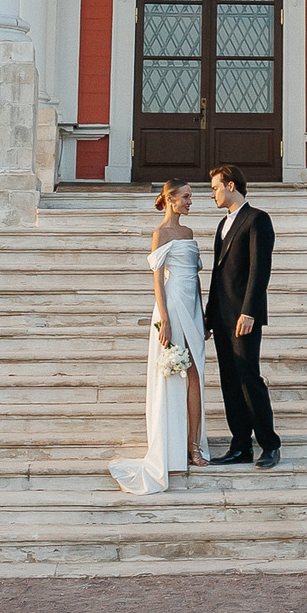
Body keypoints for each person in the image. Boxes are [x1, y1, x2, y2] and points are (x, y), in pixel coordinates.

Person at [108, 180, 210, 494]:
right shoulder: (160, 234)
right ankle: (175, 444)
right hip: (171, 309)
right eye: (186, 197)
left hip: (192, 308)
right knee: (176, 373)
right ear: (170, 199)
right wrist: (164, 318)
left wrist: (203, 315)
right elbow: (158, 281)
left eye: (191, 197)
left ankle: (195, 445)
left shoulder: (189, 234)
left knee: (195, 376)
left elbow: (194, 278)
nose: (190, 201)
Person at [204, 164, 280, 468]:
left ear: (231, 185)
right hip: (222, 316)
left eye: (215, 187)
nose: (212, 193)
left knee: (249, 378)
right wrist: (209, 315)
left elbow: (260, 271)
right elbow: (217, 275)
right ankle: (240, 445)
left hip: (243, 316)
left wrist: (250, 311)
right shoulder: (222, 224)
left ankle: (270, 445)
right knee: (229, 380)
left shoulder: (257, 219)